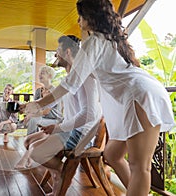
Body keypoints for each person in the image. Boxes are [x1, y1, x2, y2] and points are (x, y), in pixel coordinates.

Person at [24, 0, 175, 195]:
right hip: (132, 96)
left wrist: (37, 104)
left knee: (140, 166)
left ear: (89, 17)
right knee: (112, 154)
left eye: (80, 17)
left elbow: (70, 84)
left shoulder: (93, 42)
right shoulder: (110, 39)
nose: (78, 22)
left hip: (139, 95)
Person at [19, 35, 101, 195]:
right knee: (29, 141)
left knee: (36, 151)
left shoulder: (85, 78)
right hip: (71, 129)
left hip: (82, 133)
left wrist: (58, 127)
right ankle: (59, 176)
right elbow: (55, 101)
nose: (55, 55)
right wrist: (29, 108)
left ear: (68, 52)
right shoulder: (71, 78)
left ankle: (63, 174)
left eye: (58, 51)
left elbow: (90, 114)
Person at [24, 65, 63, 135]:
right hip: (42, 118)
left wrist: (31, 116)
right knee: (31, 119)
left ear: (50, 76)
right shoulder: (38, 91)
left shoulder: (54, 91)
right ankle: (33, 139)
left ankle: (29, 140)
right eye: (39, 73)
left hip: (54, 120)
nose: (39, 75)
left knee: (33, 120)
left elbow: (46, 111)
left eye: (43, 73)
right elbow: (35, 108)